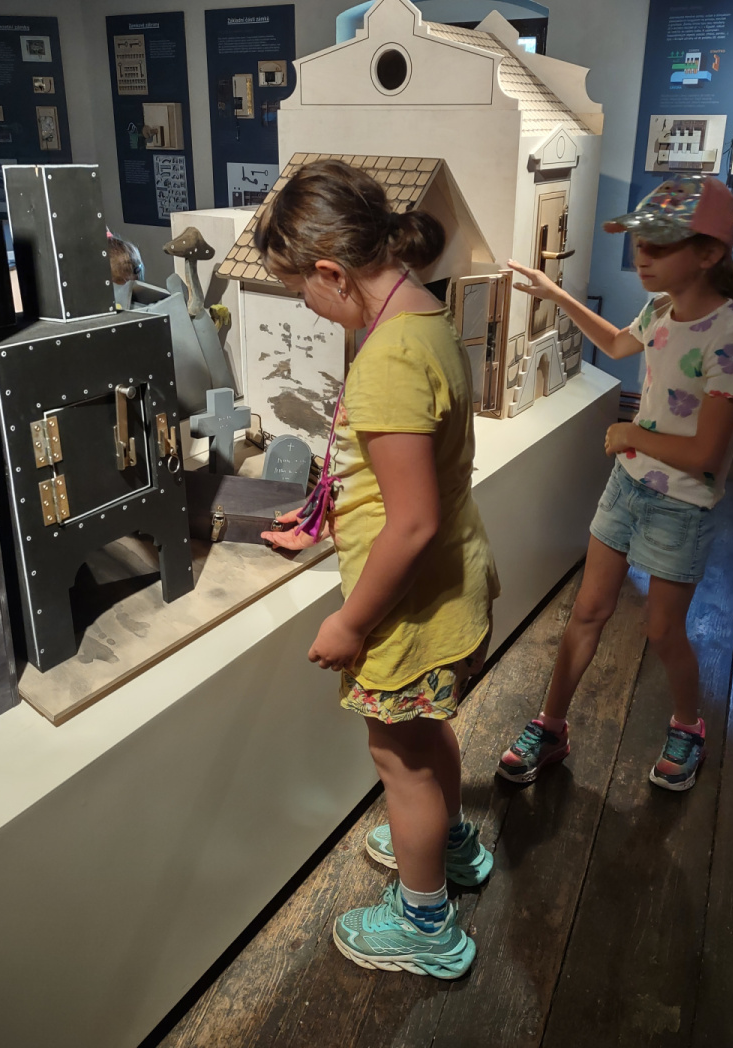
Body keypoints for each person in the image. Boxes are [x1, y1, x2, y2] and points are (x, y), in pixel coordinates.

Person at [254, 160, 499, 979]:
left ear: (332, 272)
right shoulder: (424, 315)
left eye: (301, 291)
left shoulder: (387, 357)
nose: (306, 306)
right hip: (452, 586)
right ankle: (450, 844)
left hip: (406, 611)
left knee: (401, 764)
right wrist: (329, 512)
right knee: (428, 739)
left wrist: (350, 621)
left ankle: (425, 924)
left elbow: (413, 519)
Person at [497, 175, 733, 793]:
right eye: (640, 241)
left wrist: (629, 435)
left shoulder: (732, 338)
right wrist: (556, 294)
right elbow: (617, 344)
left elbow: (706, 455)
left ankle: (688, 725)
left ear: (709, 253)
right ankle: (551, 725)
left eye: (660, 244)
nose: (642, 255)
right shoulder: (661, 308)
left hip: (682, 502)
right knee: (587, 610)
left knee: (663, 630)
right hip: (629, 484)